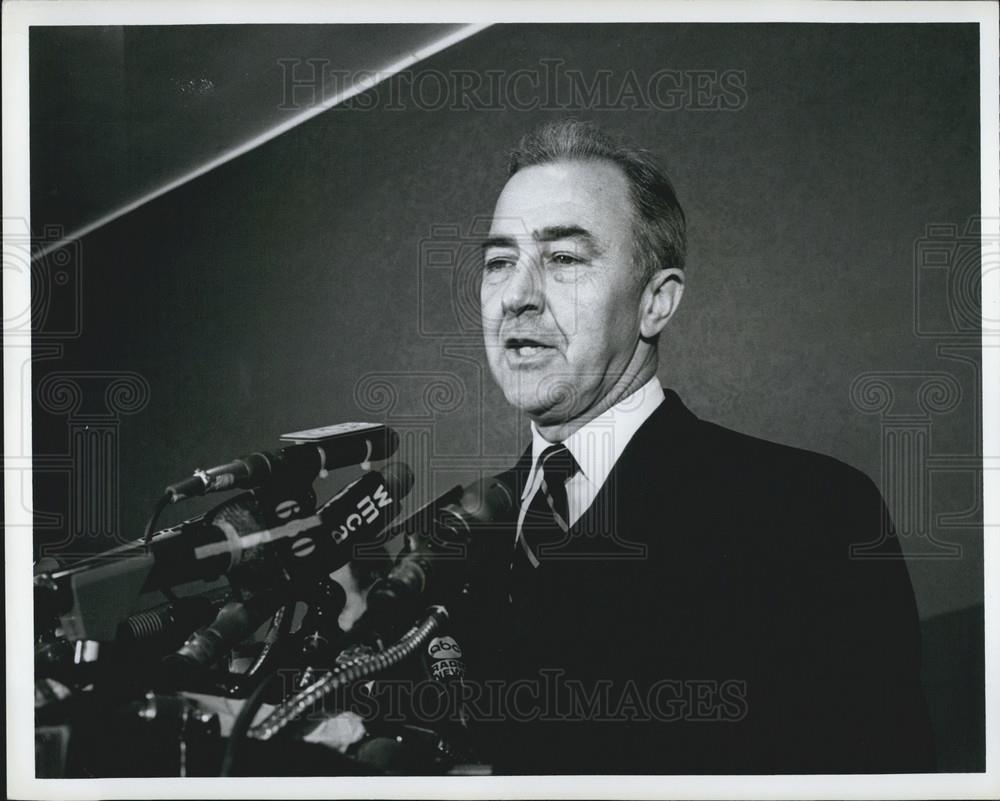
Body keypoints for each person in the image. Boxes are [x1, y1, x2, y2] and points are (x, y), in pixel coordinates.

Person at [464, 119, 935, 774]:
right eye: (498, 262)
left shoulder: (814, 512)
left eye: (564, 258)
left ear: (657, 302)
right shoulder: (443, 540)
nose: (516, 295)